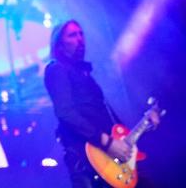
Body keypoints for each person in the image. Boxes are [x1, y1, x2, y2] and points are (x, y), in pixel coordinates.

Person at [44, 20, 157, 188]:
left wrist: (144, 124)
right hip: (87, 158)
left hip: (107, 155)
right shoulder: (56, 69)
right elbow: (66, 113)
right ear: (59, 44)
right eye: (72, 35)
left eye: (81, 34)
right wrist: (107, 142)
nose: (80, 39)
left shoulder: (82, 73)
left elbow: (105, 119)